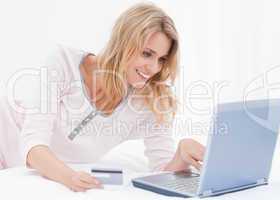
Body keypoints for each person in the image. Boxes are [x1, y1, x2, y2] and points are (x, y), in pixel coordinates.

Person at [0, 2, 205, 192]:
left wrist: (181, 155)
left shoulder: (151, 100)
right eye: (147, 53)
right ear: (122, 43)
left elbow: (162, 172)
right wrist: (70, 178)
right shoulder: (64, 62)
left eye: (161, 59)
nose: (153, 67)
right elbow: (33, 145)